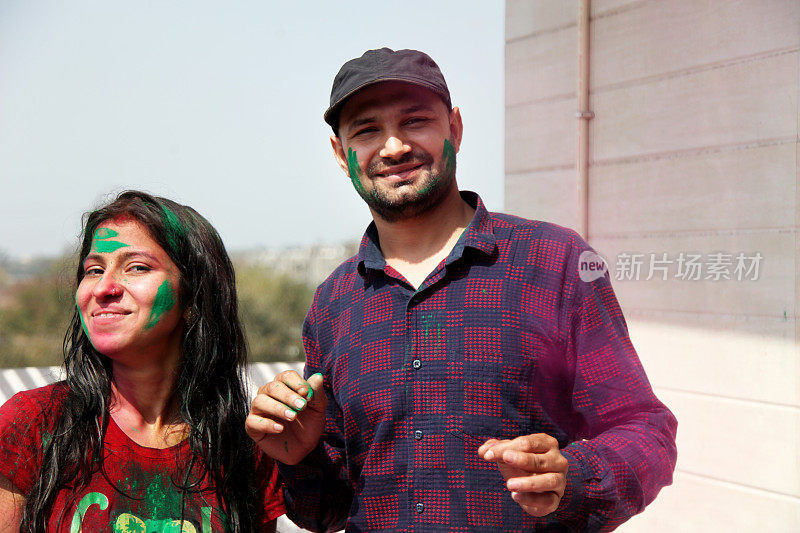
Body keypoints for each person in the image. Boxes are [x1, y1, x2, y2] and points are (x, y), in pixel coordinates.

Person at [245, 48, 677, 531]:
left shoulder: (554, 262)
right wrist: (300, 458)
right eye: (367, 130)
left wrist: (572, 475)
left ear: (454, 128)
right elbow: (324, 510)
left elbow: (646, 431)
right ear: (340, 155)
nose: (393, 147)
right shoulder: (334, 304)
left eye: (415, 121)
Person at [0, 191, 284, 532]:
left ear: (193, 295)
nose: (103, 288)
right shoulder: (32, 424)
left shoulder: (244, 443)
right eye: (93, 270)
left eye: (136, 267)